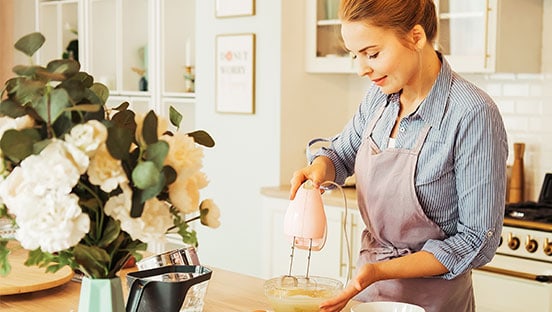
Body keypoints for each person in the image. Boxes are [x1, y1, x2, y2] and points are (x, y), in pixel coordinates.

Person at [289, 0, 508, 311]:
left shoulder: (472, 113)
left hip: (435, 302)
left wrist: (381, 271)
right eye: (355, 55)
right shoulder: (378, 100)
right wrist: (321, 167)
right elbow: (340, 154)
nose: (362, 69)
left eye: (372, 54)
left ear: (416, 37)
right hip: (369, 295)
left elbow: (477, 241)